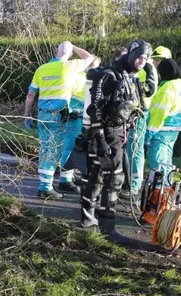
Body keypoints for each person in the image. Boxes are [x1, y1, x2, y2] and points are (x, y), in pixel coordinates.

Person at [80, 40, 150, 229]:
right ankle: (106, 223)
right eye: (140, 57)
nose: (142, 61)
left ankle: (89, 219)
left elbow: (140, 101)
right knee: (113, 177)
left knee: (99, 175)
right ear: (133, 56)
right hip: (105, 133)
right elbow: (94, 109)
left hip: (120, 132)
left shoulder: (130, 77)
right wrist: (100, 139)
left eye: (146, 58)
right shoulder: (109, 76)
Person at [25, 42, 95, 199]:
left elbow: (30, 96)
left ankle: (44, 185)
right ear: (70, 54)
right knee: (54, 151)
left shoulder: (41, 69)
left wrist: (27, 116)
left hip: (43, 116)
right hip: (59, 116)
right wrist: (73, 46)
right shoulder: (70, 67)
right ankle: (45, 188)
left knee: (45, 149)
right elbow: (89, 57)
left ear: (56, 51)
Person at [59, 57, 101, 193]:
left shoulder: (89, 79)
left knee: (76, 147)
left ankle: (69, 175)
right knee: (70, 146)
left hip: (82, 116)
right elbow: (69, 95)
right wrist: (72, 111)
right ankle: (64, 180)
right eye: (94, 66)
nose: (96, 69)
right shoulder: (79, 78)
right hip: (76, 116)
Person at [144, 59, 181, 182]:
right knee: (167, 161)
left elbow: (160, 112)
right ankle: (167, 188)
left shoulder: (167, 87)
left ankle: (157, 190)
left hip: (161, 129)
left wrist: (149, 134)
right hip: (174, 128)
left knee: (158, 163)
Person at [125, 44, 157, 195]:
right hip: (129, 114)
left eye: (144, 58)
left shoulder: (147, 70)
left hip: (139, 114)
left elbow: (149, 90)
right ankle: (129, 181)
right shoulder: (133, 68)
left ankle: (134, 184)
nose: (141, 60)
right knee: (129, 149)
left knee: (135, 149)